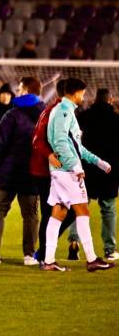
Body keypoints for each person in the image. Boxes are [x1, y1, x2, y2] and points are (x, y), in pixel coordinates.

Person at [41, 78, 114, 271]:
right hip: (67, 172)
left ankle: (48, 261)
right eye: (82, 93)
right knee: (83, 210)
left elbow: (76, 146)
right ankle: (91, 259)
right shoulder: (64, 112)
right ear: (75, 93)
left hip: (60, 171)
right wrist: (75, 166)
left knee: (59, 212)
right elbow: (60, 143)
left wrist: (97, 162)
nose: (83, 96)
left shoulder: (64, 111)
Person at [0, 77, 45, 265]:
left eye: (19, 89)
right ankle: (30, 254)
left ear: (26, 90)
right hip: (33, 172)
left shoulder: (12, 115)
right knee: (31, 215)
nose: (17, 92)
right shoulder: (46, 114)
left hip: (9, 171)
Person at [31, 79, 77, 262]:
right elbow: (37, 140)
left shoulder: (65, 112)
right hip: (45, 172)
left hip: (57, 171)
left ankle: (43, 251)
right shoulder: (52, 112)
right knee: (53, 212)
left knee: (67, 211)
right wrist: (50, 155)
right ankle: (43, 254)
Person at [71, 89, 119, 261]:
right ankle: (109, 249)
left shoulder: (84, 116)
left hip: (86, 168)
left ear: (94, 99)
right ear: (110, 100)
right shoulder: (116, 119)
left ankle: (74, 243)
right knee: (108, 209)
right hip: (109, 171)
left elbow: (73, 139)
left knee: (81, 206)